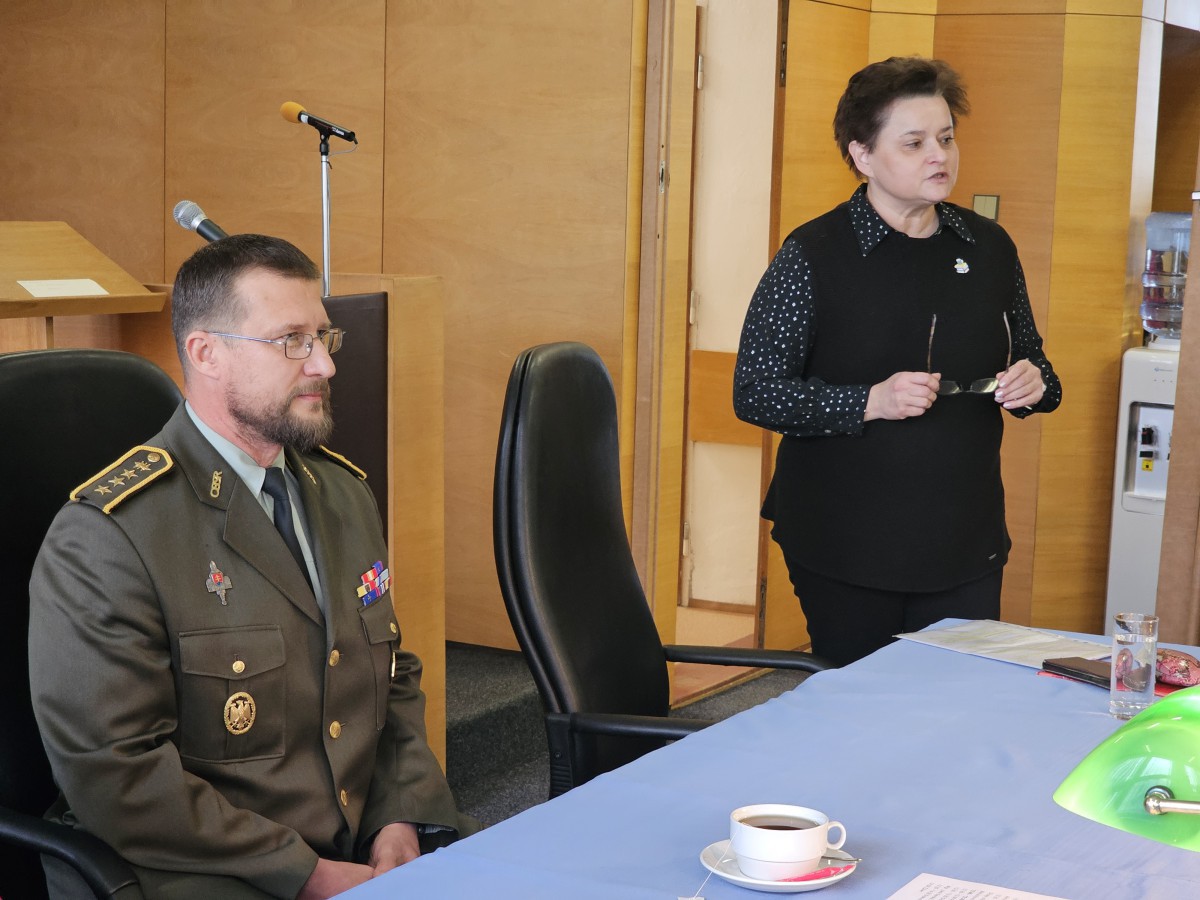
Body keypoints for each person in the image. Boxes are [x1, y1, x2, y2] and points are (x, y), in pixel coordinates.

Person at [28, 234, 477, 899]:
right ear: (206, 353)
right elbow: (117, 776)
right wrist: (308, 875)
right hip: (210, 871)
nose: (324, 363)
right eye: (292, 340)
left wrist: (400, 820)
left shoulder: (344, 494)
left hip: (361, 849)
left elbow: (390, 678)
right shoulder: (109, 537)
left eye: (323, 336)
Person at [733, 56, 1061, 667]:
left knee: (955, 699)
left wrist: (1034, 382)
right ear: (862, 155)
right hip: (845, 536)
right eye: (914, 143)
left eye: (946, 138)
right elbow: (755, 391)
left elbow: (1036, 361)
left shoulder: (988, 246)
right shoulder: (813, 253)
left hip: (963, 534)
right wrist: (869, 401)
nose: (939, 156)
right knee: (864, 705)